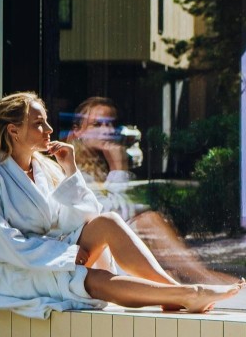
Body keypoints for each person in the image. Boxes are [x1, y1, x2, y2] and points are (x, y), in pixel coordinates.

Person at [0, 91, 241, 317]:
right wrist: (64, 254)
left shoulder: (45, 169)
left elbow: (86, 218)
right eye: (38, 123)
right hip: (10, 272)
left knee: (108, 222)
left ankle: (175, 291)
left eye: (46, 121)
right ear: (13, 131)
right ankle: (189, 294)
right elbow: (1, 242)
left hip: (47, 255)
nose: (49, 129)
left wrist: (70, 169)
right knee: (87, 279)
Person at [65, 95, 236, 286]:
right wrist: (118, 168)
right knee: (149, 221)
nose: (107, 131)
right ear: (78, 131)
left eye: (110, 124)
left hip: (111, 249)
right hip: (89, 256)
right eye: (97, 124)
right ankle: (205, 279)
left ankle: (210, 279)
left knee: (167, 258)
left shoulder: (100, 161)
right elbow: (109, 215)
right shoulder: (73, 167)